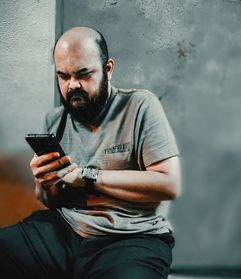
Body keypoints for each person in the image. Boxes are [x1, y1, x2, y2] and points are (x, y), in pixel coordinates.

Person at [0, 26, 181, 278]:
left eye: (83, 74)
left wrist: (86, 176)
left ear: (108, 69)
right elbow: (50, 201)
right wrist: (44, 182)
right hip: (64, 228)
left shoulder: (140, 105)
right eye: (63, 76)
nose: (72, 85)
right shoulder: (55, 121)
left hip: (131, 236)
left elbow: (169, 184)